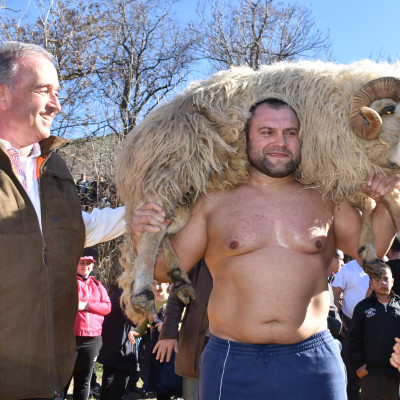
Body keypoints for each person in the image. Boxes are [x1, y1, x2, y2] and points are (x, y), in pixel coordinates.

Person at [130, 98, 399, 399]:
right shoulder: (213, 201)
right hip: (231, 361)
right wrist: (143, 234)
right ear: (246, 138)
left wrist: (388, 201)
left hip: (314, 360)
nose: (280, 142)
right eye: (267, 132)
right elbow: (165, 271)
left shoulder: (327, 197)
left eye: (291, 133)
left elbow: (370, 252)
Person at [0, 41, 126, 400]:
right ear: (2, 95)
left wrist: (142, 213)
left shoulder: (53, 165)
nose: (57, 104)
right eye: (43, 90)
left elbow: (67, 230)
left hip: (52, 378)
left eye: (58, 91)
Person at [154, 259, 212, 400]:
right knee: (193, 393)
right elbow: (176, 297)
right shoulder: (198, 256)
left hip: (234, 342)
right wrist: (168, 334)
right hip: (197, 341)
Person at [348, 264, 400, 399]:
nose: (382, 282)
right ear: (371, 283)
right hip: (370, 372)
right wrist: (358, 365)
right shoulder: (362, 307)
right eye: (377, 279)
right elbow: (354, 338)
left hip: (396, 372)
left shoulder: (399, 305)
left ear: (392, 281)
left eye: (386, 279)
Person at [67, 247, 111, 400]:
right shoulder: (69, 283)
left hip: (92, 340)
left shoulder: (98, 285)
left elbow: (106, 307)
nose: (86, 266)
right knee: (64, 379)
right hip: (70, 339)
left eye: (89, 263)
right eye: (82, 263)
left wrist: (86, 305)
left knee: (84, 380)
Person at [129, 281, 182, 400]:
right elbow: (143, 324)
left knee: (170, 385)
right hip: (156, 350)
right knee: (160, 389)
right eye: (153, 284)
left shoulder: (175, 303)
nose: (155, 287)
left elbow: (183, 325)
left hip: (172, 352)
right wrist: (135, 332)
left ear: (168, 285)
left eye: (159, 284)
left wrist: (168, 328)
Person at [332, 258, 371, 399]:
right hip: (350, 325)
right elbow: (335, 294)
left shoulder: (379, 266)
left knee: (371, 367)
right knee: (350, 367)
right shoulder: (347, 269)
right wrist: (339, 318)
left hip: (374, 325)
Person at [97, 288, 140, 400]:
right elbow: (133, 319)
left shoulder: (117, 294)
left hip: (110, 345)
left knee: (108, 380)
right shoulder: (126, 297)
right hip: (122, 347)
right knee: (118, 385)